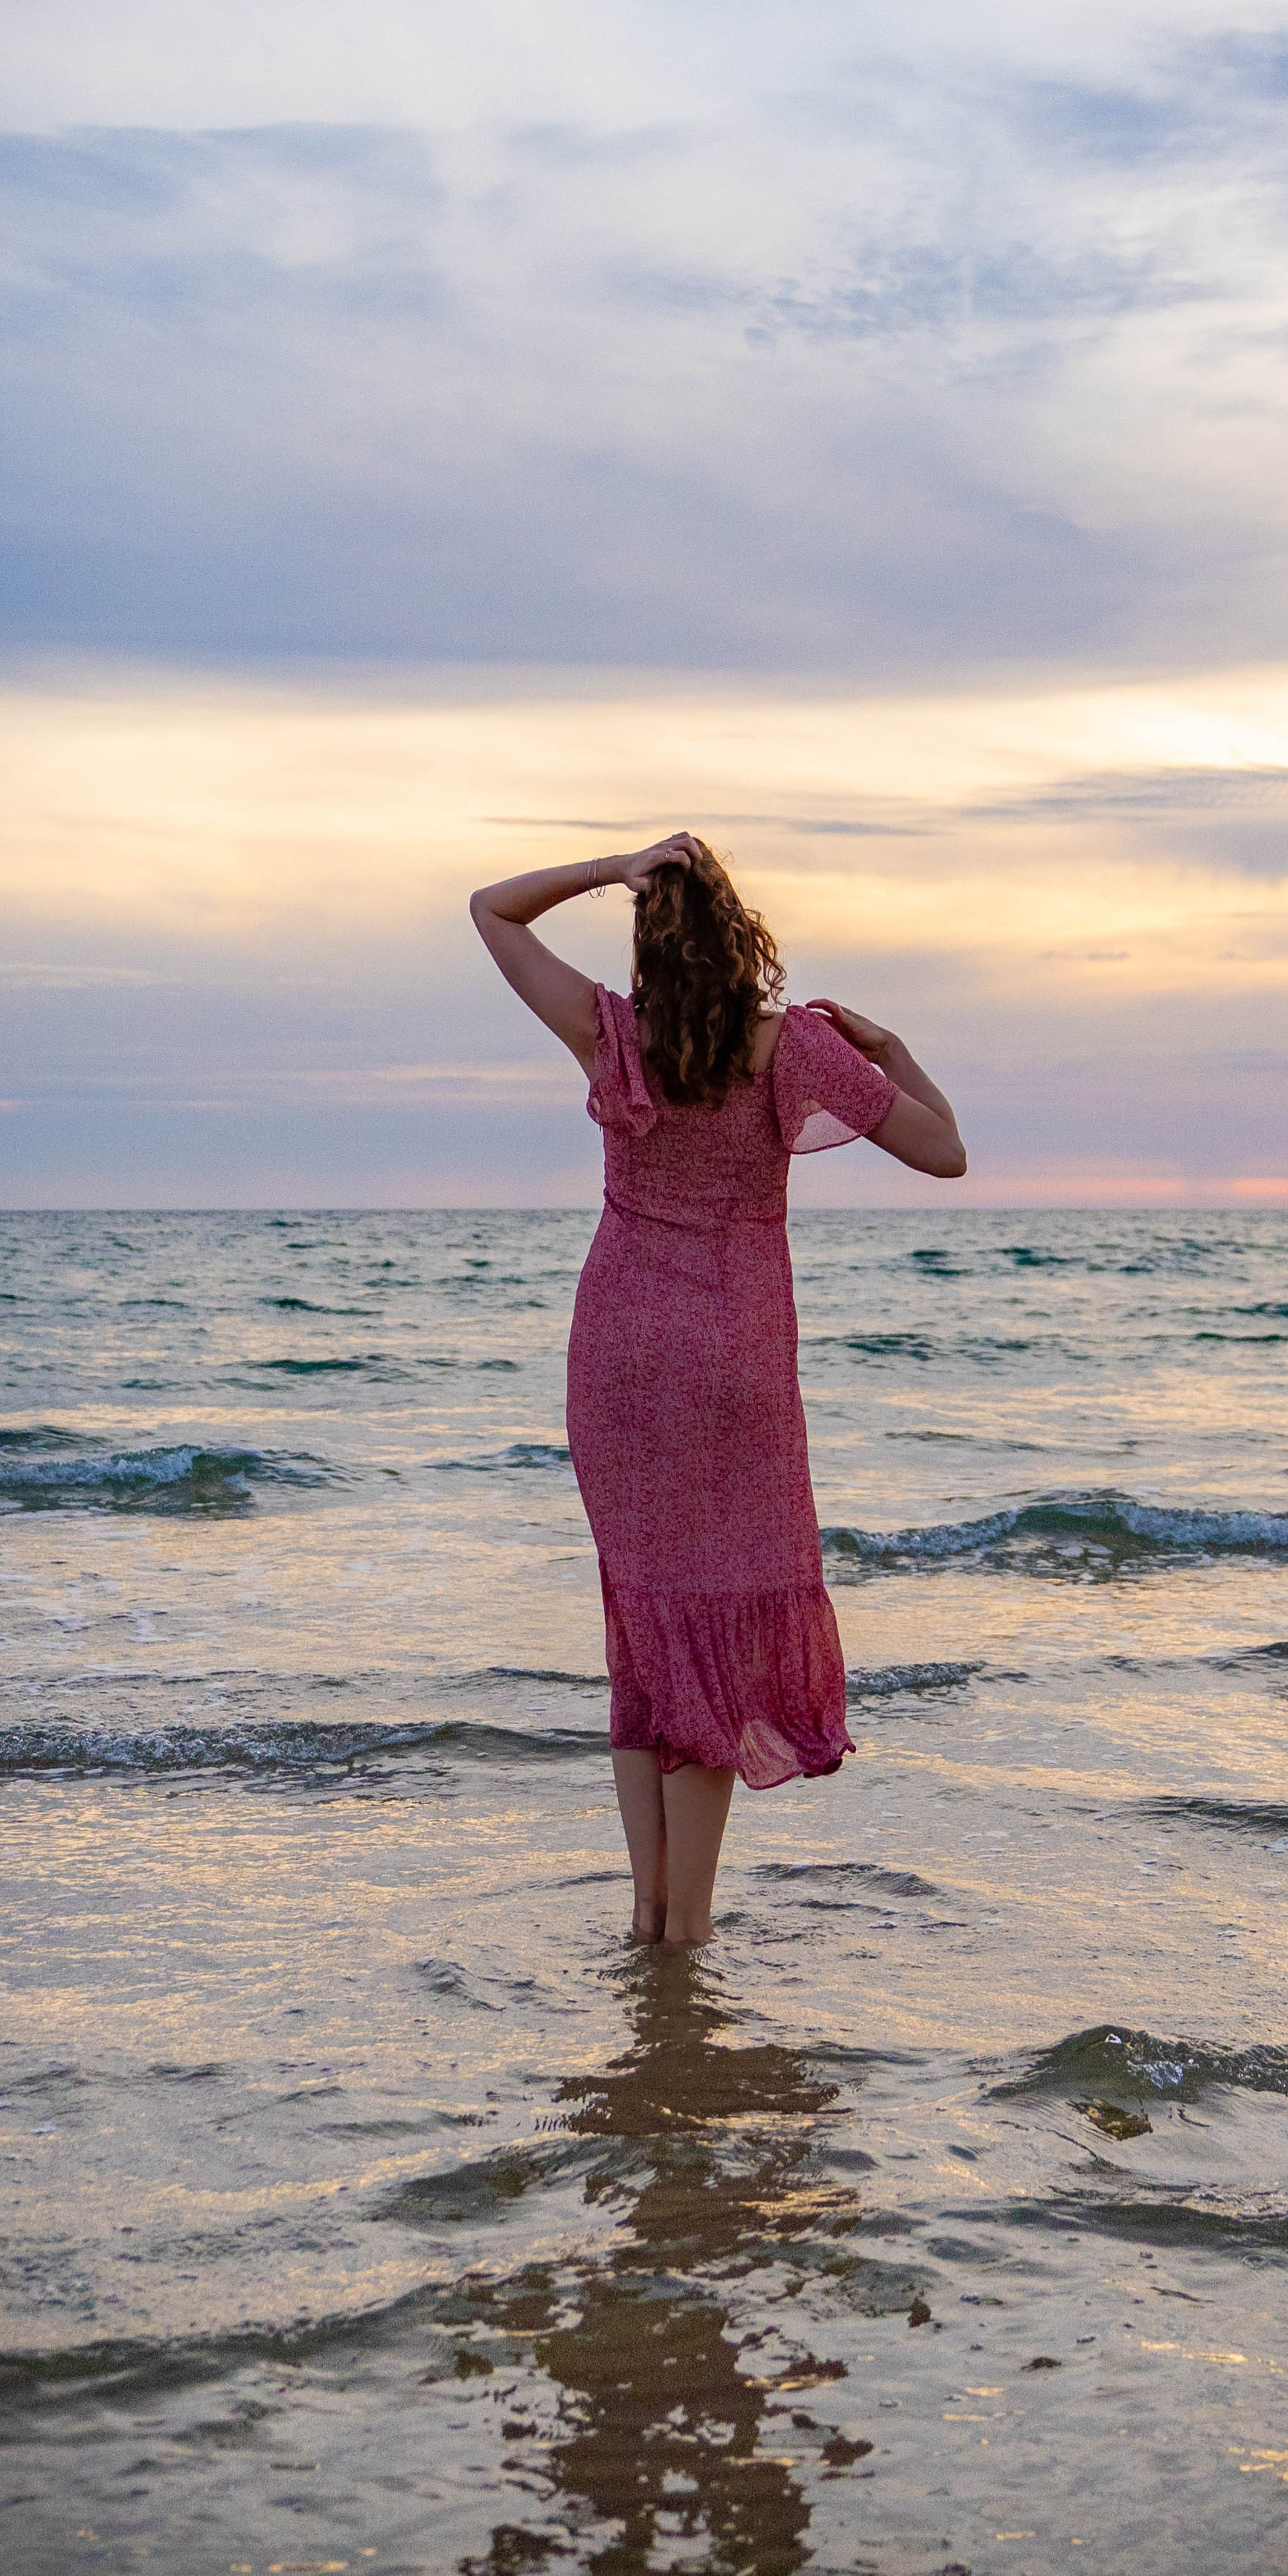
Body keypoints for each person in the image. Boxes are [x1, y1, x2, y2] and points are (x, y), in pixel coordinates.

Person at [470, 832, 965, 1947]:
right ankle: (687, 1931)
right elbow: (946, 1153)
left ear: (649, 940)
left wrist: (612, 866)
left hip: (618, 1357)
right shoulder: (792, 1047)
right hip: (731, 1364)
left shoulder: (612, 1033)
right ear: (743, 938)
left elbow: (491, 908)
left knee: (646, 1622)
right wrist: (894, 1050)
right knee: (715, 1629)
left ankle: (649, 1913)